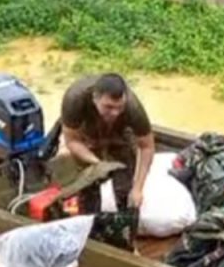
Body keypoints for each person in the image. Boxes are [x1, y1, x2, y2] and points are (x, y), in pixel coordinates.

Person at [61, 73, 155, 211]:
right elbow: (72, 141)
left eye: (119, 107)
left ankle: (123, 212)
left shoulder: (132, 107)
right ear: (94, 99)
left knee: (125, 186)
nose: (115, 112)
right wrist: (98, 164)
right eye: (109, 107)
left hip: (120, 133)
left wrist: (137, 188)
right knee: (88, 186)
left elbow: (147, 146)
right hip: (87, 133)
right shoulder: (75, 99)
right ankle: (89, 213)